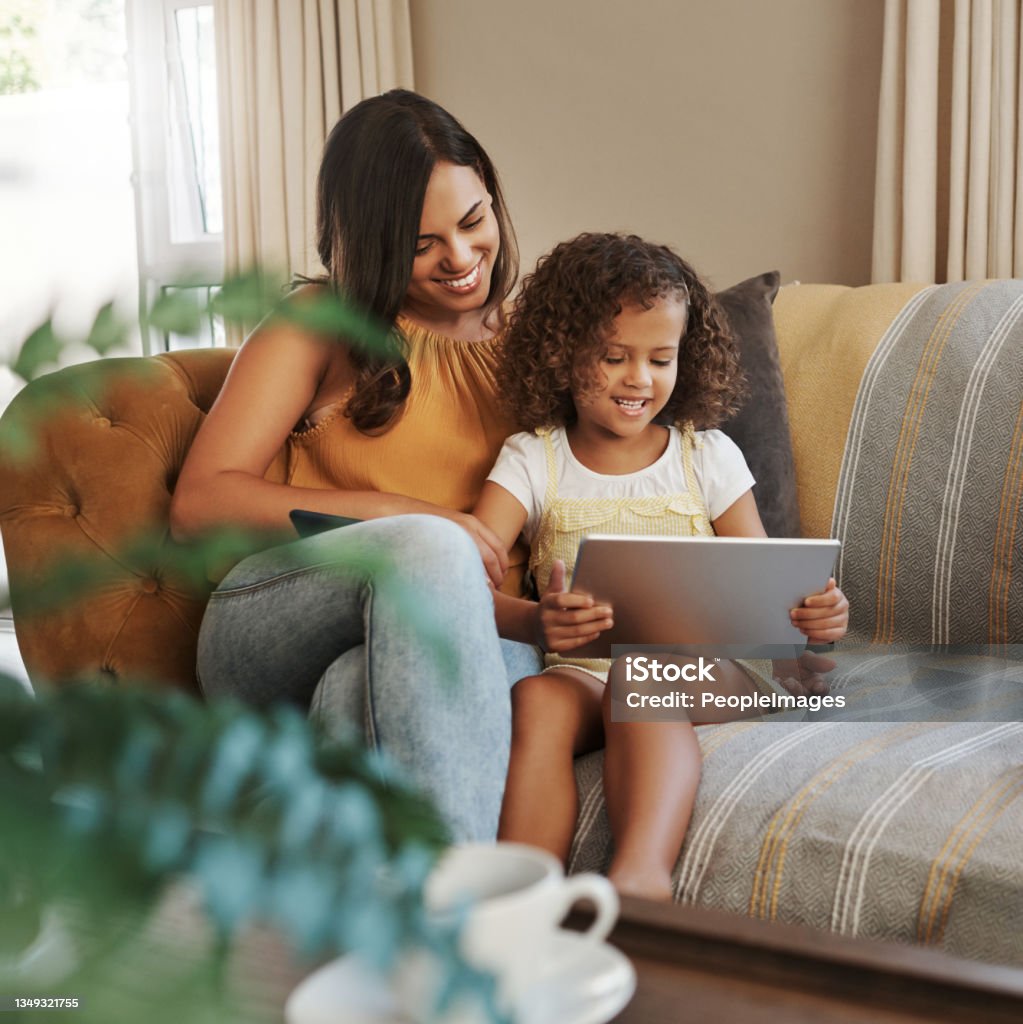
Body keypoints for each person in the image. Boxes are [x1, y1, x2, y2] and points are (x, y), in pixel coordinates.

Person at [169, 90, 542, 842]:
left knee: (350, 699)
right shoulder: (319, 325)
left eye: (473, 222)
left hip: (463, 634)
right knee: (427, 551)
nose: (462, 259)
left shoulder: (534, 340)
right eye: (420, 243)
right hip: (277, 616)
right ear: (370, 241)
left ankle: (396, 928)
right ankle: (459, 925)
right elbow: (198, 506)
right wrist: (404, 514)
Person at [473, 233, 849, 898]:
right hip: (582, 679)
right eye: (612, 356)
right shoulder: (531, 460)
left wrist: (813, 620)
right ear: (563, 355)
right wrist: (536, 622)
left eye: (659, 358)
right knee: (535, 697)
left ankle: (639, 881)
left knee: (641, 675)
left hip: (707, 674)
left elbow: (769, 590)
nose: (638, 379)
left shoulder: (705, 455)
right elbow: (465, 580)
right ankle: (518, 897)